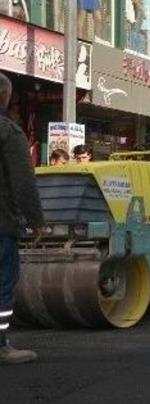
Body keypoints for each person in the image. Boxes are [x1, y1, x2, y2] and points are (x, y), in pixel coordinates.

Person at [0, 72, 44, 364]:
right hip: (1, 224)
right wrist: (36, 219)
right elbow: (23, 181)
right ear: (4, 96)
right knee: (3, 283)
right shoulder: (8, 132)